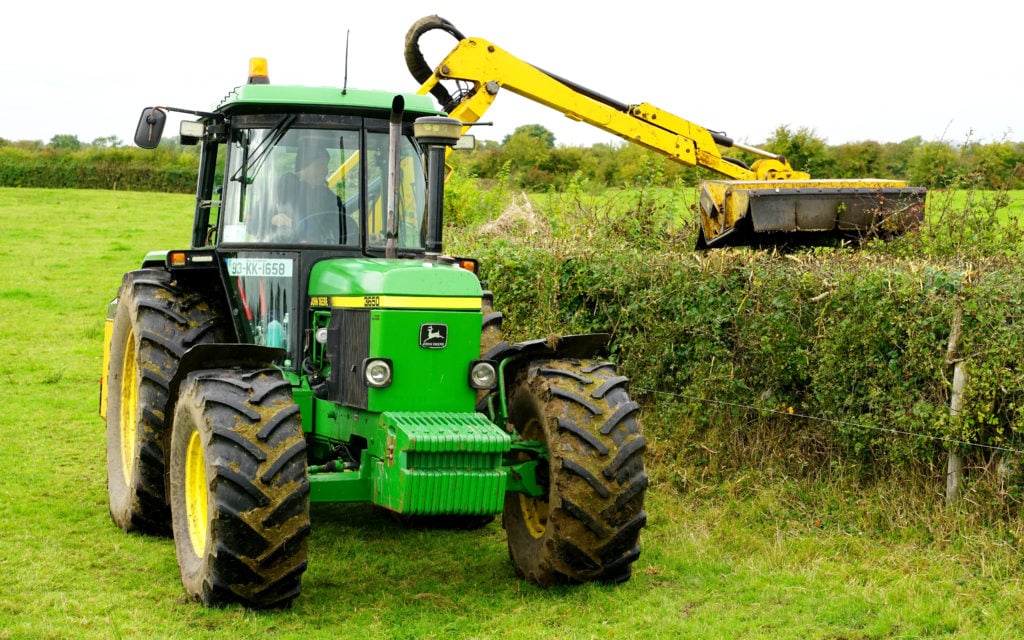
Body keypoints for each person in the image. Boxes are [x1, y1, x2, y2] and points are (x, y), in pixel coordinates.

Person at [270, 147, 344, 242]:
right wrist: (273, 219)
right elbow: (254, 219)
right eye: (319, 166)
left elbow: (342, 223)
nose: (325, 171)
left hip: (321, 250)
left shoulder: (328, 197)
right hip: (284, 250)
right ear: (303, 169)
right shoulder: (282, 188)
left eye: (326, 165)